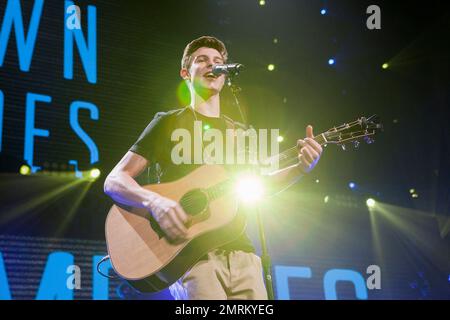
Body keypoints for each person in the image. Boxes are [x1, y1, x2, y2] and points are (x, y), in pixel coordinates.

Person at [103, 36, 323, 300]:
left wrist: (300, 167)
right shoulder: (167, 123)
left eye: (219, 62)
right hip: (191, 259)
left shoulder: (239, 132)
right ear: (185, 72)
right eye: (202, 60)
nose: (213, 65)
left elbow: (260, 185)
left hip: (244, 256)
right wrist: (155, 202)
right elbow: (115, 180)